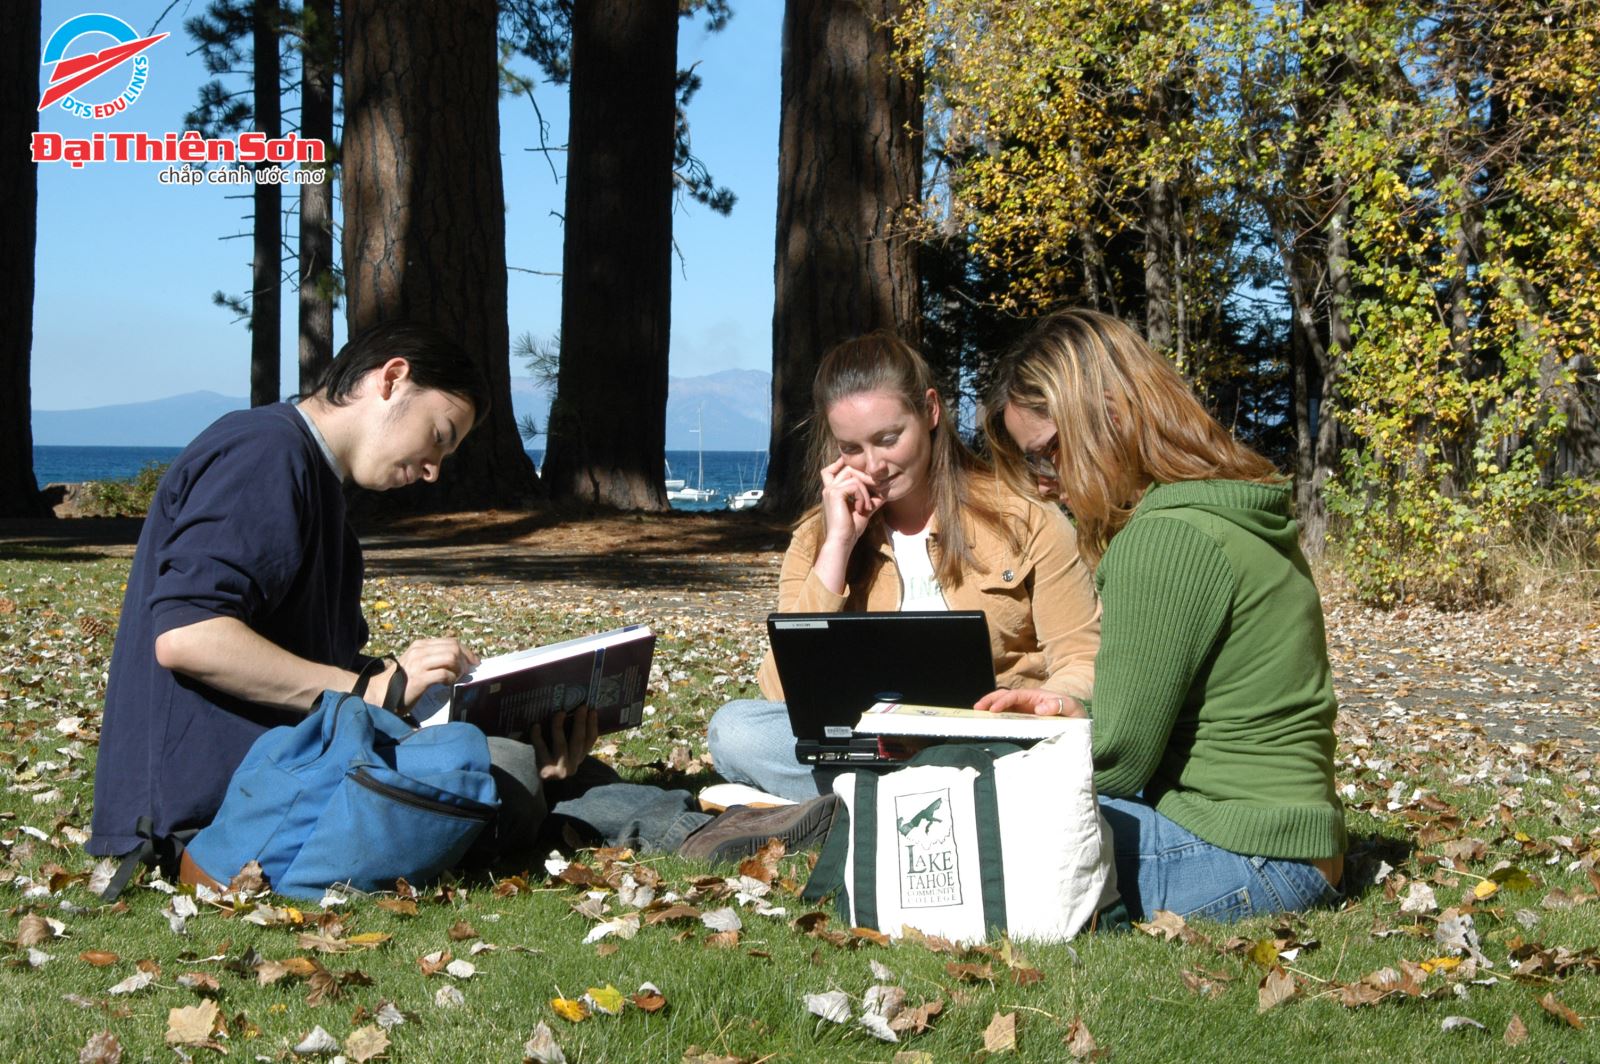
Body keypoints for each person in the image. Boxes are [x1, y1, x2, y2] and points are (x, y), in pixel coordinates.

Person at [88, 320, 825, 876]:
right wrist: (369, 687)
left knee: (504, 756)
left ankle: (698, 825)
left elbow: (316, 676)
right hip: (220, 820)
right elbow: (189, 636)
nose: (436, 468)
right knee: (487, 766)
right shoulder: (262, 453)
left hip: (286, 778)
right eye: (440, 434)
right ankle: (700, 828)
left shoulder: (318, 494)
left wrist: (433, 697)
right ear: (391, 378)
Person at [984, 308, 1346, 922]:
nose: (1043, 484)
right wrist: (1073, 710)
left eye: (1048, 454)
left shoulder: (1164, 539)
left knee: (970, 819)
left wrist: (986, 757)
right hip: (1299, 843)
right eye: (1033, 464)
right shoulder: (1226, 508)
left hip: (1244, 853)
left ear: (1111, 413)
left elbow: (1120, 760)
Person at [708, 330, 1101, 802]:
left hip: (994, 744)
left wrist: (1042, 706)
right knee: (734, 729)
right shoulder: (818, 535)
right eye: (851, 448)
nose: (873, 465)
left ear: (930, 411)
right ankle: (916, 801)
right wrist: (838, 546)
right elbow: (782, 694)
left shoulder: (1024, 517)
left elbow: (1081, 657)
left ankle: (868, 807)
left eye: (888, 438)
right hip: (871, 749)